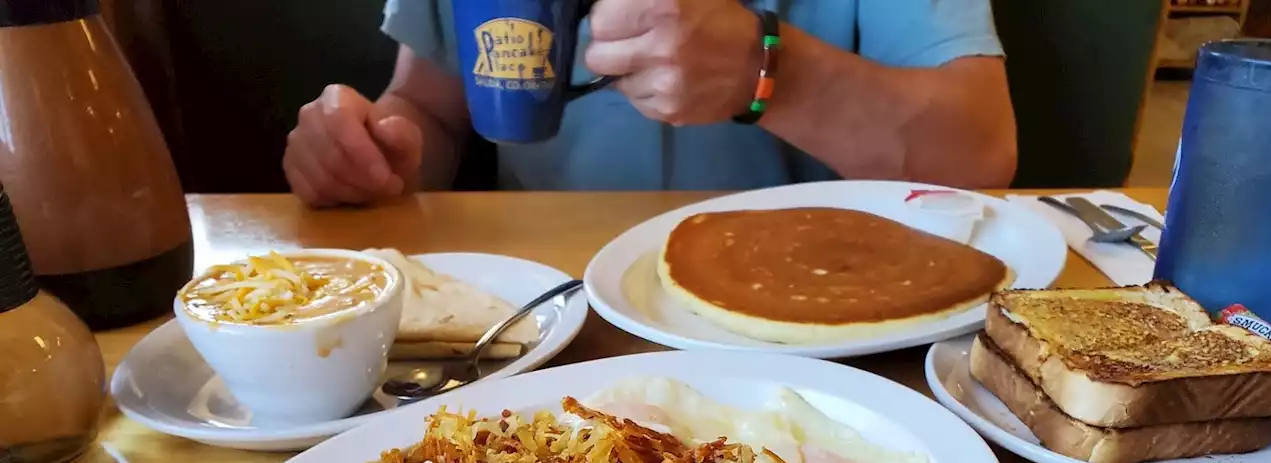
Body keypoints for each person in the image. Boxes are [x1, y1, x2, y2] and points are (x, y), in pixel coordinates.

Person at [284, 0, 1017, 206]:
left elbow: (980, 150)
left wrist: (771, 74)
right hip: (546, 323)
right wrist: (371, 152)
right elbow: (429, 109)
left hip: (823, 318)